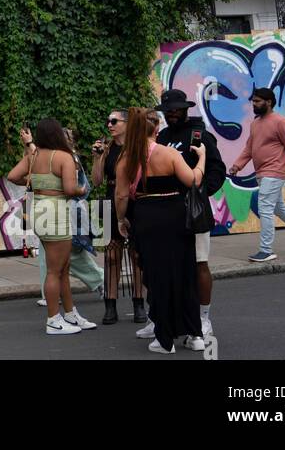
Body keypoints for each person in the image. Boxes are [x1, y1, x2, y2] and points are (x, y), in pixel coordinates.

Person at [115, 108, 206, 354]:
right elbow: (194, 180)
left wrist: (121, 219)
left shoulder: (126, 159)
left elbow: (122, 195)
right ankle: (194, 334)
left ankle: (164, 338)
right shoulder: (170, 154)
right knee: (184, 272)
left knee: (156, 277)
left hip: (146, 217)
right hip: (176, 216)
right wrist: (202, 157)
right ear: (155, 129)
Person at [6, 120, 95, 335]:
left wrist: (36, 182)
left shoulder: (33, 156)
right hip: (56, 213)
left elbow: (12, 176)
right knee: (56, 271)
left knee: (61, 268)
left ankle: (70, 314)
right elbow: (70, 189)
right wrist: (81, 187)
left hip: (38, 210)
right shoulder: (64, 157)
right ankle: (53, 320)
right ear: (58, 135)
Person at [158, 89, 227, 340]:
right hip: (166, 210)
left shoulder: (198, 135)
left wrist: (201, 192)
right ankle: (173, 319)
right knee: (173, 267)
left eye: (177, 108)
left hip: (193, 210)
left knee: (199, 264)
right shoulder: (162, 137)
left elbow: (217, 169)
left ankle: (203, 318)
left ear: (186, 109)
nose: (172, 113)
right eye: (168, 110)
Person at [228, 88, 285, 262]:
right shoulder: (255, 123)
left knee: (265, 207)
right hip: (262, 173)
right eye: (253, 101)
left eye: (257, 101)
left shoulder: (281, 122)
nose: (253, 104)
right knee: (279, 208)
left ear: (268, 102)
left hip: (275, 171)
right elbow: (249, 148)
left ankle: (266, 250)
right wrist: (237, 166)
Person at [28, 127, 104, 306]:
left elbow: (72, 189)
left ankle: (101, 280)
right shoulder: (56, 156)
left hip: (69, 212)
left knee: (71, 254)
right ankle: (50, 293)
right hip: (53, 211)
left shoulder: (70, 158)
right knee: (48, 253)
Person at [91, 110, 145, 326]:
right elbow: (96, 181)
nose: (110, 125)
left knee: (136, 255)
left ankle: (139, 303)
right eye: (108, 121)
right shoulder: (107, 148)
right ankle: (110, 305)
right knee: (111, 256)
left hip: (133, 201)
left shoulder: (137, 148)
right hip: (109, 200)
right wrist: (97, 157)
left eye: (114, 121)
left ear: (126, 124)